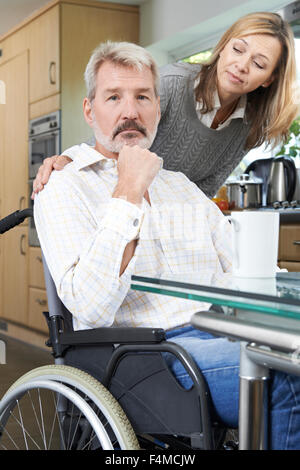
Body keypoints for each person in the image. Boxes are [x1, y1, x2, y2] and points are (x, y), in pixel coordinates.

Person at [34, 40, 300, 450]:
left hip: (213, 336)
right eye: (114, 97)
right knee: (285, 372)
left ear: (158, 108)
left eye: (142, 97)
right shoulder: (65, 187)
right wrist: (129, 190)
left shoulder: (183, 188)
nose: (130, 111)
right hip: (140, 359)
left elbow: (245, 271)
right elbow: (90, 305)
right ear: (90, 110)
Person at [32, 11, 299, 199]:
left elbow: (204, 191)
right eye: (238, 50)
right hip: (117, 199)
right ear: (224, 46)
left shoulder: (249, 128)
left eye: (259, 63)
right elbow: (110, 135)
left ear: (270, 79)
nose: (241, 66)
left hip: (168, 221)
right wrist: (70, 158)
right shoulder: (172, 83)